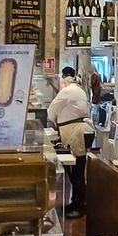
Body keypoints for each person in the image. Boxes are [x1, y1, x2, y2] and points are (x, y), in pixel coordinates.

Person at [47, 67, 94, 218]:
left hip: (76, 133)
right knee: (77, 171)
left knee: (77, 173)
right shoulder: (78, 90)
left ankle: (79, 207)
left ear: (64, 82)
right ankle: (76, 203)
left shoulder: (67, 91)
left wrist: (55, 121)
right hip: (81, 132)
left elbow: (51, 111)